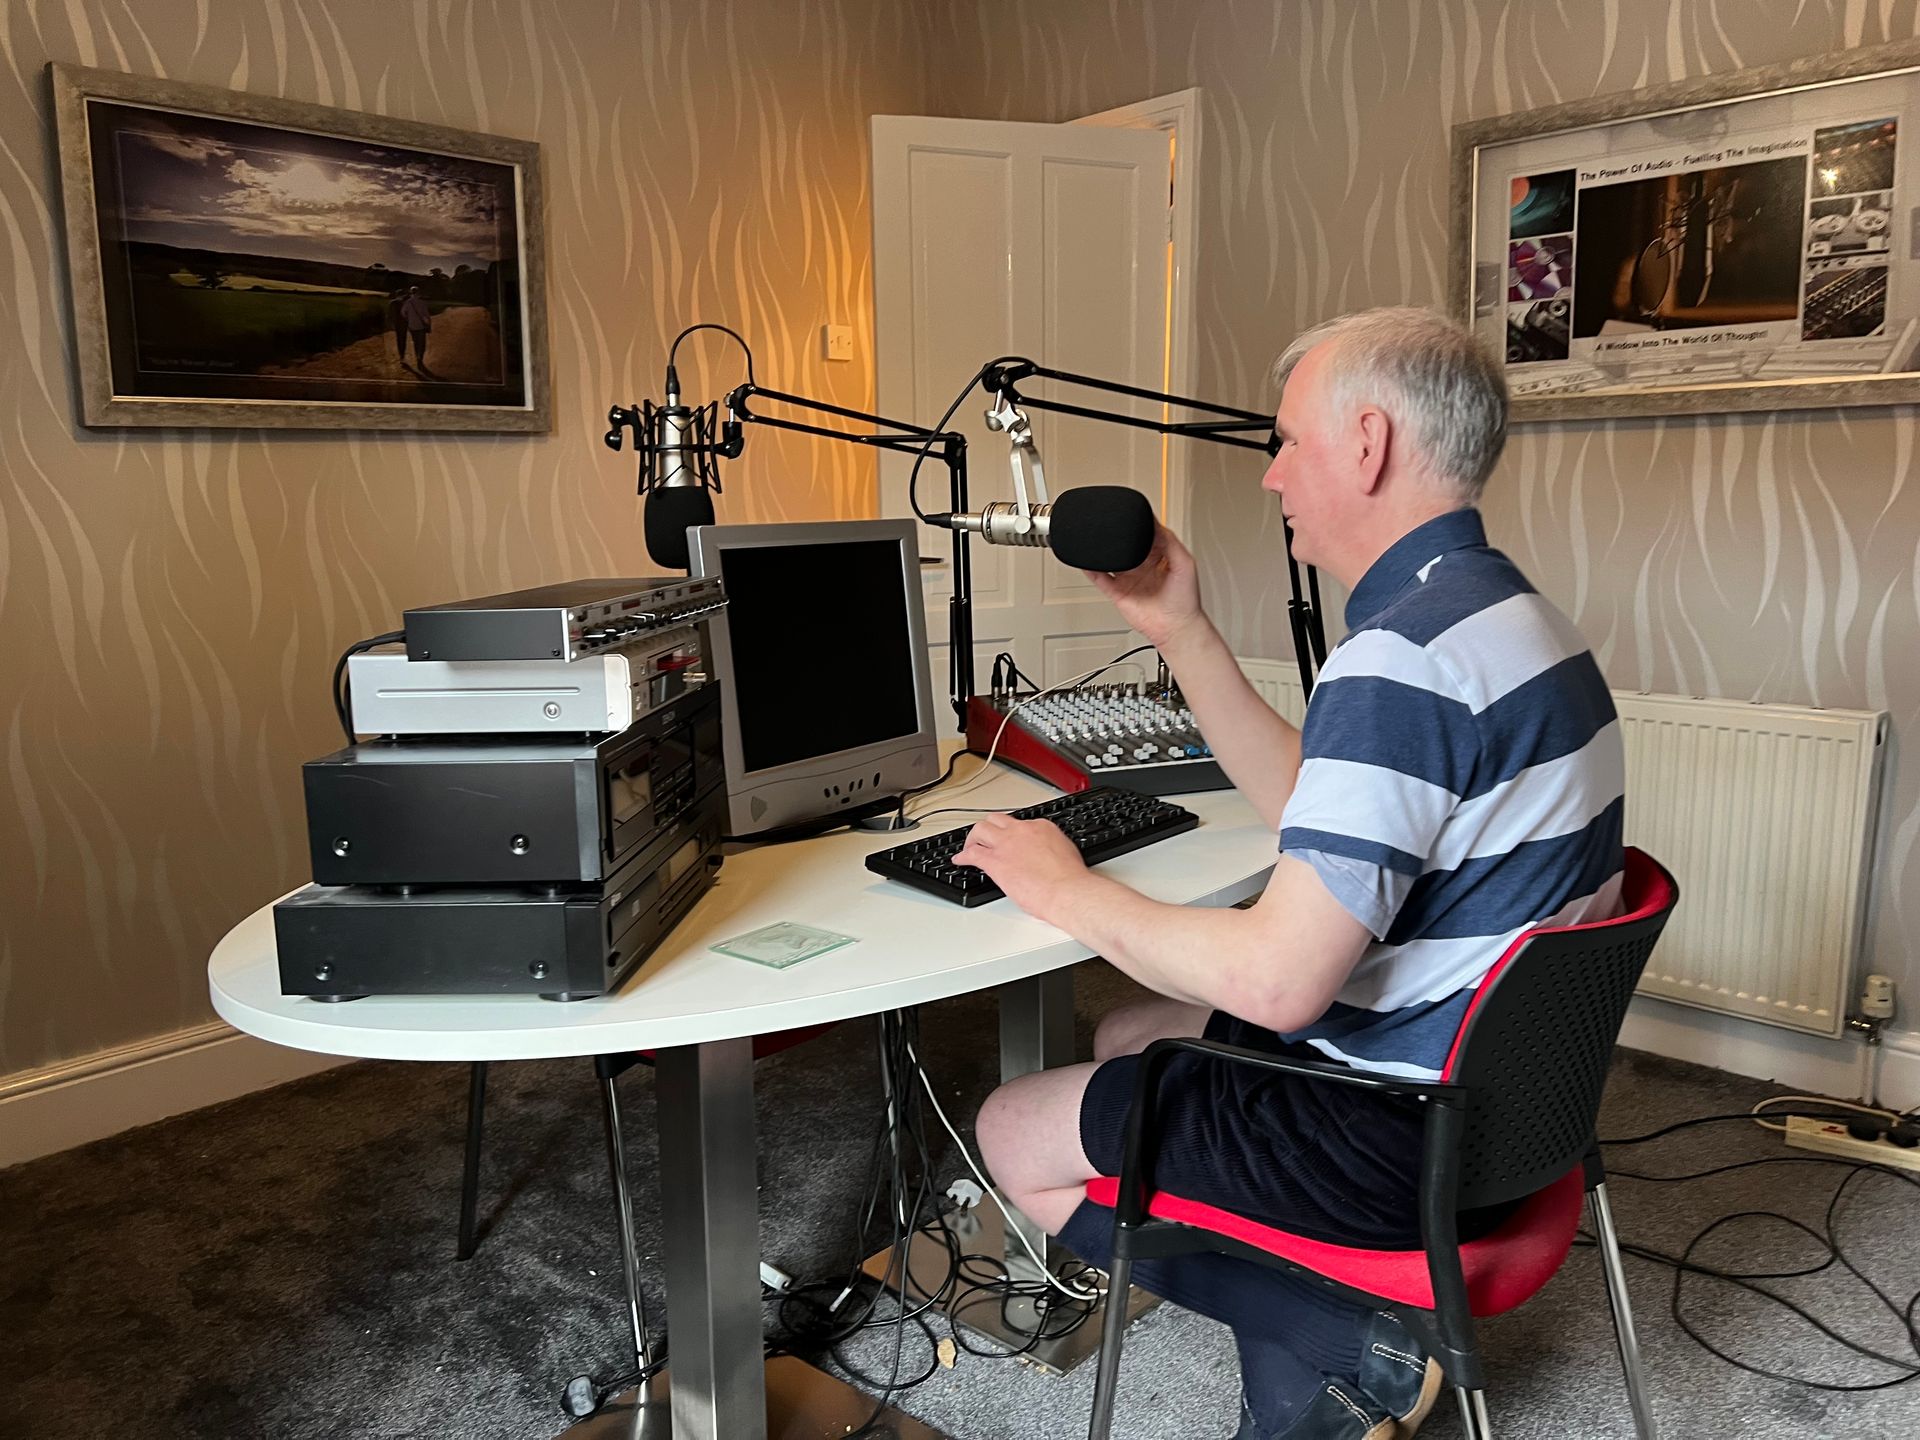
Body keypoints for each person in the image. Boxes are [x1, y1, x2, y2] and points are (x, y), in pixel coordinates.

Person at [957, 307, 1625, 1440]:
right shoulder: (1509, 618)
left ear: (1366, 443)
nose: (1273, 478)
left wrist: (1065, 886)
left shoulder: (1401, 660)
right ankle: (1307, 1359)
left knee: (1014, 1132)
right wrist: (1182, 632)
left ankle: (1345, 1341)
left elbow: (1279, 986)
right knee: (1131, 1034)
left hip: (1392, 1130)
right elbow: (1316, 800)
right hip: (1506, 1100)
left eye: (1287, 443)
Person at [399, 285, 433, 367]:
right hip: (421, 326)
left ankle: (417, 355)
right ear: (418, 292)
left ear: (411, 292)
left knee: (415, 342)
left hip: (412, 325)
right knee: (422, 343)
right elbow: (427, 315)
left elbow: (403, 313)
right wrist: (429, 324)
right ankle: (419, 357)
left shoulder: (408, 302)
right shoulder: (422, 302)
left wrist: (408, 319)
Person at [386, 289, 407, 359]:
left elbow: (389, 314)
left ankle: (401, 354)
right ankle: (402, 354)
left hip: (399, 323)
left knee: (400, 339)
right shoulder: (404, 303)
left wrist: (390, 323)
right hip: (402, 324)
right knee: (402, 339)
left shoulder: (392, 303)